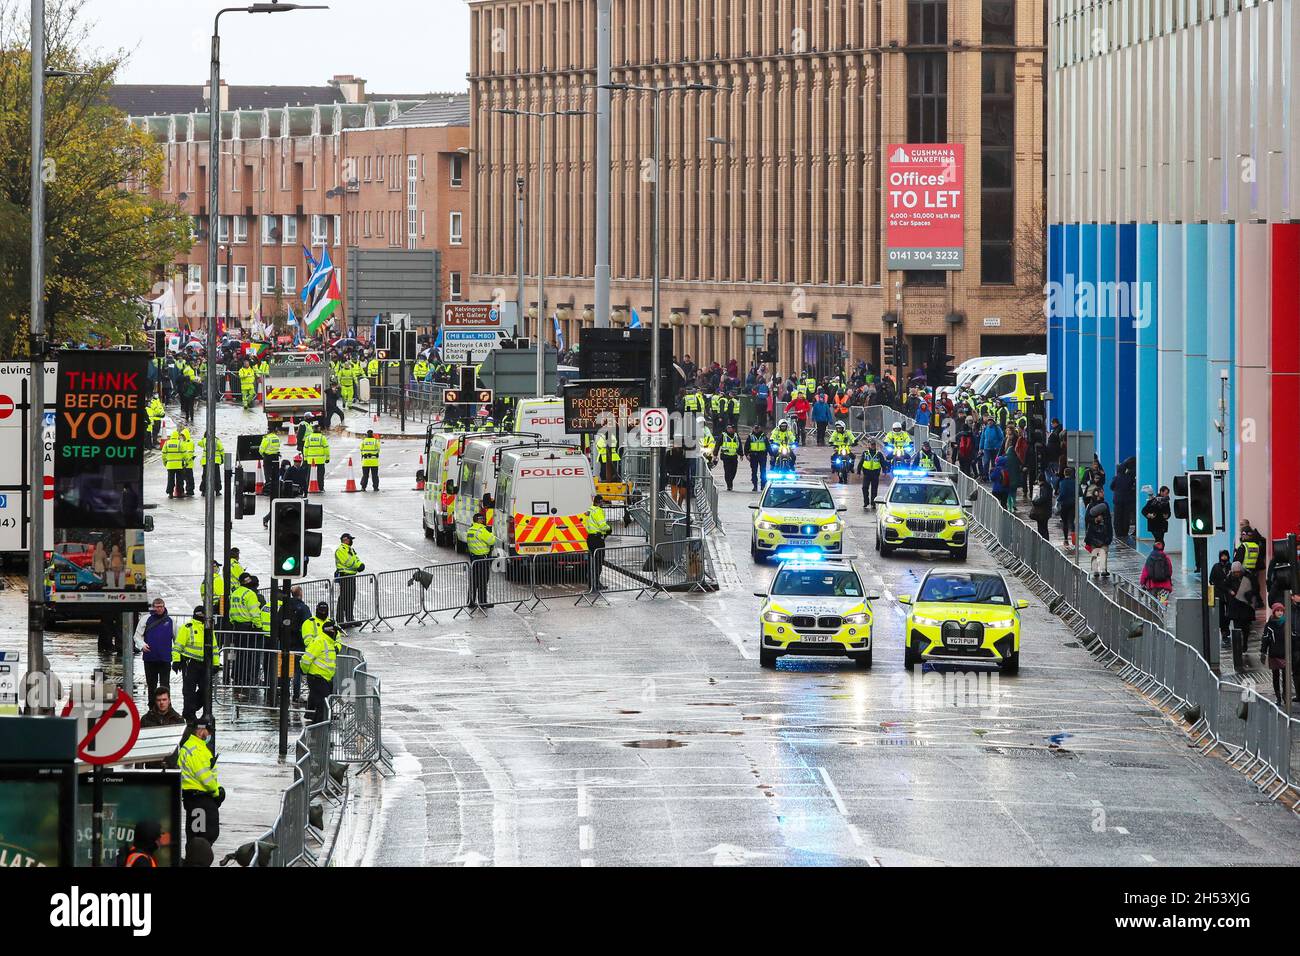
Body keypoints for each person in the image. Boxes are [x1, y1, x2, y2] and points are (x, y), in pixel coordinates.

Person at [179, 717, 223, 847]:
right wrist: (217, 792)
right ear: (201, 730)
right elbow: (205, 778)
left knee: (195, 838)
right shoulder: (197, 750)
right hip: (201, 800)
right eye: (208, 731)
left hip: (192, 799)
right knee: (204, 839)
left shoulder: (189, 747)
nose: (210, 734)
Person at [172, 606, 218, 722]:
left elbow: (214, 648)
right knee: (189, 691)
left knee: (206, 690)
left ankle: (189, 711)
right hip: (190, 663)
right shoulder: (187, 628)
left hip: (204, 665)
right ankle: (190, 715)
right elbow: (178, 646)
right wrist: (176, 660)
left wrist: (216, 664)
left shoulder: (208, 629)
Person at [301, 619, 341, 725]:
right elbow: (306, 659)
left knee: (321, 707)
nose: (337, 634)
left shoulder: (329, 642)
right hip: (317, 678)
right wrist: (305, 671)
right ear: (331, 631)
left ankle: (318, 730)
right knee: (323, 706)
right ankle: (319, 732)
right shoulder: (319, 641)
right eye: (336, 631)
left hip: (324, 679)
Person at [139, 597, 175, 699]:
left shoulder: (170, 621)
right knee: (151, 686)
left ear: (164, 607)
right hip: (150, 659)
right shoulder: (146, 619)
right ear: (153, 607)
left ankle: (167, 707)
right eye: (157, 607)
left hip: (165, 659)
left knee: (165, 686)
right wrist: (142, 645)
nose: (159, 609)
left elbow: (177, 640)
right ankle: (152, 707)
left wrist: (177, 658)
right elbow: (137, 636)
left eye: (161, 606)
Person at [466, 511, 496, 609]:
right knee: (483, 581)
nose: (483, 521)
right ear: (478, 520)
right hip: (482, 559)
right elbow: (492, 540)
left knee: (474, 581)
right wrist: (492, 534)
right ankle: (483, 602)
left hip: (473, 559)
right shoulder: (481, 530)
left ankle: (470, 601)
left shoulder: (470, 530)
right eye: (482, 519)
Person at [1235, 519, 1267, 609]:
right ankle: (1256, 602)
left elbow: (1239, 559)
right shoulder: (1250, 540)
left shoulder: (1248, 542)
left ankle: (1255, 603)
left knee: (1247, 591)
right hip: (1250, 568)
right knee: (1252, 587)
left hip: (1248, 569)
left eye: (1242, 524)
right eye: (1240, 524)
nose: (1240, 526)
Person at [1260, 604, 1288, 704]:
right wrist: (1263, 652)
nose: (1280, 613)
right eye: (1278, 611)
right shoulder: (1269, 624)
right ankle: (1278, 697)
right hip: (1274, 654)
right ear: (1274, 612)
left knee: (1286, 677)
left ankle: (1285, 695)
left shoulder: (1287, 623)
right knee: (1275, 676)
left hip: (1285, 654)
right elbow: (1265, 639)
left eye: (1281, 611)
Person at [334, 532, 364, 626]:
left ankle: (350, 619)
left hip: (351, 576)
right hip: (344, 576)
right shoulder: (341, 549)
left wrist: (360, 564)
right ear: (345, 540)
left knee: (351, 598)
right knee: (343, 598)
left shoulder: (350, 549)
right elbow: (348, 561)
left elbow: (355, 558)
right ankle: (340, 621)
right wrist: (358, 566)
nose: (351, 541)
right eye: (350, 539)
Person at [584, 494, 611, 591]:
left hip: (590, 538)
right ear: (599, 502)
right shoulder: (598, 511)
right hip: (597, 539)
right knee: (598, 562)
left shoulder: (589, 510)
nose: (603, 503)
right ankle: (596, 583)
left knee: (593, 561)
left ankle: (591, 583)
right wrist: (609, 528)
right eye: (602, 502)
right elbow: (602, 525)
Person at [1084, 491, 1114, 578]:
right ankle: (1095, 570)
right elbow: (1087, 518)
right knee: (1095, 552)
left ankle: (1103, 569)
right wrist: (1095, 520)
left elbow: (1108, 520)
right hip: (1094, 532)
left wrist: (1110, 533)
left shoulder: (1105, 505)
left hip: (1104, 532)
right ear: (1096, 494)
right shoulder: (1091, 506)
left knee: (1104, 551)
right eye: (1101, 491)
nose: (1103, 493)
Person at [1209, 549, 1235, 645]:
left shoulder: (1231, 566)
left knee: (1228, 613)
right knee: (1220, 613)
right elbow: (1211, 579)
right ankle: (1223, 631)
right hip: (1219, 594)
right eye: (1222, 556)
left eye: (1225, 556)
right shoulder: (1216, 567)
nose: (1224, 557)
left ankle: (1226, 629)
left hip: (1228, 594)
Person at [1111, 458, 1136, 540]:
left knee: (1118, 516)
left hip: (1117, 499)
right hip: (1127, 500)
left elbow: (1111, 487)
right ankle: (1125, 532)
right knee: (1126, 516)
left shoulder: (1116, 478)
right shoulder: (1129, 478)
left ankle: (1118, 532)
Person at [858, 439, 884, 511]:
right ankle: (866, 502)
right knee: (864, 488)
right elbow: (861, 462)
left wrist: (885, 471)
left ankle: (873, 503)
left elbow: (883, 462)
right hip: (867, 473)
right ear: (869, 445)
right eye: (871, 445)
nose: (873, 446)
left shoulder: (879, 454)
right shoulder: (865, 453)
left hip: (875, 473)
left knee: (874, 489)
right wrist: (858, 472)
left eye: (874, 445)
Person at [304, 426, 330, 492]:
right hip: (320, 459)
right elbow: (326, 448)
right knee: (320, 475)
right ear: (319, 430)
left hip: (310, 460)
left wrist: (305, 458)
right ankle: (320, 488)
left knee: (309, 475)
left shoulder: (309, 438)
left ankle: (307, 488)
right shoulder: (322, 438)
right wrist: (327, 458)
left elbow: (305, 448)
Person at [1058, 467, 1077, 549]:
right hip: (1073, 504)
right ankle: (1073, 537)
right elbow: (1080, 492)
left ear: (1064, 474)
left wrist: (1058, 500)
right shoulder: (1075, 482)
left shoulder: (1062, 482)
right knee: (1072, 521)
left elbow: (1062, 494)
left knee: (1065, 522)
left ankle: (1066, 540)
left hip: (1064, 505)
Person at [259, 428, 282, 495]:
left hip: (268, 457)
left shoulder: (266, 438)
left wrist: (262, 454)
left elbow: (261, 449)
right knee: (276, 472)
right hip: (276, 457)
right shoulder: (277, 438)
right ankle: (276, 487)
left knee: (267, 472)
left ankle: (268, 488)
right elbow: (278, 446)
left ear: (269, 431)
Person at [162, 431, 185, 499]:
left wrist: (165, 463)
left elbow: (163, 454)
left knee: (170, 480)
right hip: (179, 465)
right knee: (180, 480)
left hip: (170, 465)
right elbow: (184, 453)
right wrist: (187, 461)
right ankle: (180, 493)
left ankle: (170, 493)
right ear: (177, 436)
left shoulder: (167, 443)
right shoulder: (180, 443)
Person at [718, 425, 740, 491]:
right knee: (727, 471)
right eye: (729, 428)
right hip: (726, 456)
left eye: (732, 428)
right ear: (727, 429)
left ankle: (730, 481)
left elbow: (739, 445)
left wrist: (741, 454)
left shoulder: (736, 435)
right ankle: (729, 485)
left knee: (734, 471)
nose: (731, 430)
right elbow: (718, 444)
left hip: (734, 456)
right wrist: (715, 454)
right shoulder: (723, 435)